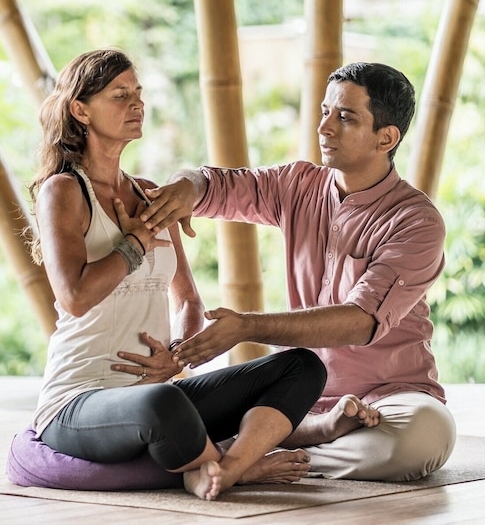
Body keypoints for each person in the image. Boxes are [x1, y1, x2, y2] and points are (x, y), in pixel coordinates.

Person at [28, 48, 327, 501]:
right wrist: (137, 242)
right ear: (80, 109)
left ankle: (231, 467)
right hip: (80, 400)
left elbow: (187, 300)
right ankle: (233, 470)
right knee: (163, 403)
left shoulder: (151, 196)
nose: (136, 105)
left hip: (155, 391)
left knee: (301, 365)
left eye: (138, 93)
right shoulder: (63, 191)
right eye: (119, 95)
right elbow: (74, 296)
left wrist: (179, 357)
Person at [141, 61, 457, 481]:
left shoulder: (416, 221)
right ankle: (295, 438)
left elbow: (360, 322)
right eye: (325, 112)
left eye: (345, 117)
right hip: (294, 396)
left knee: (423, 436)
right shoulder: (297, 185)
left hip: (390, 399)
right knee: (173, 412)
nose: (324, 128)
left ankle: (255, 454)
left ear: (387, 137)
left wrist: (245, 327)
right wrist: (185, 186)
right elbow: (212, 183)